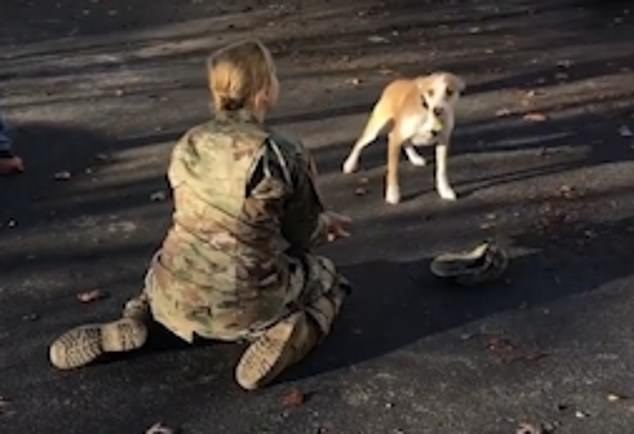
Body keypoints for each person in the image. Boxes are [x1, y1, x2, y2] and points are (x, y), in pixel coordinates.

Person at [48, 39, 352, 390]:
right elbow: (301, 234)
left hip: (174, 292)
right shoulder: (281, 152)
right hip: (247, 300)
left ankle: (137, 318)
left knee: (166, 267)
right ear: (264, 90)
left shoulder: (189, 142)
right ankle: (289, 332)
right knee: (327, 278)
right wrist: (325, 226)